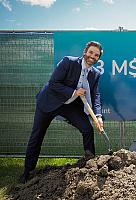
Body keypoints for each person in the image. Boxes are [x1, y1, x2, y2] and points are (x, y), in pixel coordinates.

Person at [19, 41, 104, 183]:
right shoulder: (68, 62)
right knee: (37, 136)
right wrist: (74, 92)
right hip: (49, 102)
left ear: (98, 58)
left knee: (87, 129)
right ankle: (27, 173)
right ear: (85, 52)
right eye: (91, 52)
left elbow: (95, 95)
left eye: (96, 55)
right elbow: (53, 83)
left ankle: (91, 168)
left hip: (69, 106)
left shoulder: (95, 74)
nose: (92, 56)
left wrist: (99, 116)